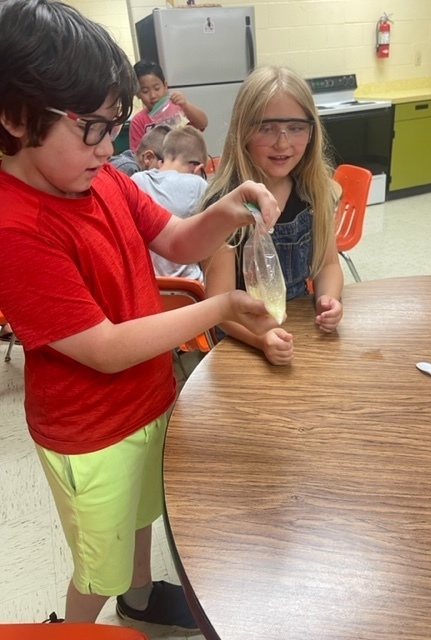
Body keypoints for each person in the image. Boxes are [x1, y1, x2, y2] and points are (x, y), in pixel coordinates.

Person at [0, 0, 280, 627]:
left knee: (140, 518)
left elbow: (178, 241)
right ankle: (75, 628)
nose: (107, 145)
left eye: (114, 124)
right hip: (88, 432)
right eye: (90, 127)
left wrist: (227, 206)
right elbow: (103, 348)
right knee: (96, 567)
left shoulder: (102, 178)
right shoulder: (14, 227)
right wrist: (220, 306)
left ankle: (141, 600)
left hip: (145, 399)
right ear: (16, 117)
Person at [202, 65, 344, 366]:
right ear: (242, 131)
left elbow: (328, 265)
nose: (282, 143)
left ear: (312, 130)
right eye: (266, 128)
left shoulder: (314, 193)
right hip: (243, 342)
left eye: (295, 128)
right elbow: (218, 305)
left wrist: (328, 299)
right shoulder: (223, 206)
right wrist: (260, 340)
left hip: (300, 331)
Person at [132, 125, 208, 282]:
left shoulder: (136, 181)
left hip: (148, 284)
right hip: (189, 289)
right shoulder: (198, 185)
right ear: (197, 168)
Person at [129, 60, 208, 152]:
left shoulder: (177, 107)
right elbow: (138, 155)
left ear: (165, 86)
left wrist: (185, 105)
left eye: (157, 88)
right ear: (137, 94)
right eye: (145, 91)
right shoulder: (138, 121)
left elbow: (203, 123)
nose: (153, 95)